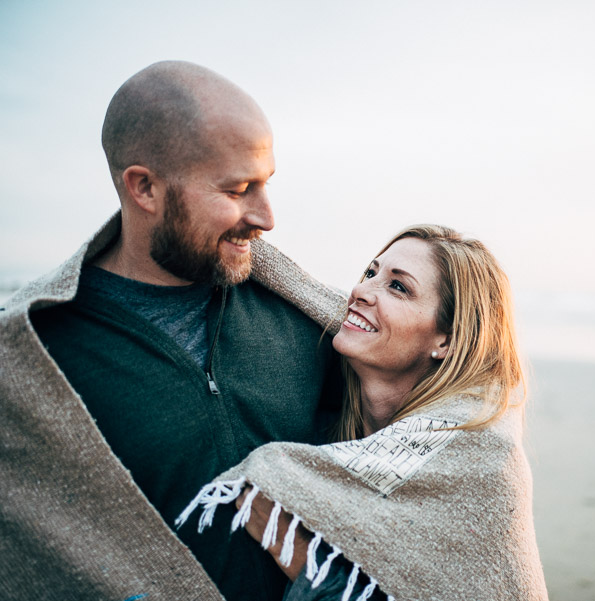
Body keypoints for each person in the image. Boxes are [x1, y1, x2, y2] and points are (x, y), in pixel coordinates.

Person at [0, 61, 345, 601]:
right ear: (145, 188)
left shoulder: (304, 321)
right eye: (239, 189)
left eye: (267, 184)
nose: (267, 216)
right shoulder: (35, 361)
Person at [177, 225, 549, 601]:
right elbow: (307, 291)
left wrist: (286, 531)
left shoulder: (481, 455)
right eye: (370, 273)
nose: (360, 291)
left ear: (446, 341)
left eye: (398, 287)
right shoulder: (336, 425)